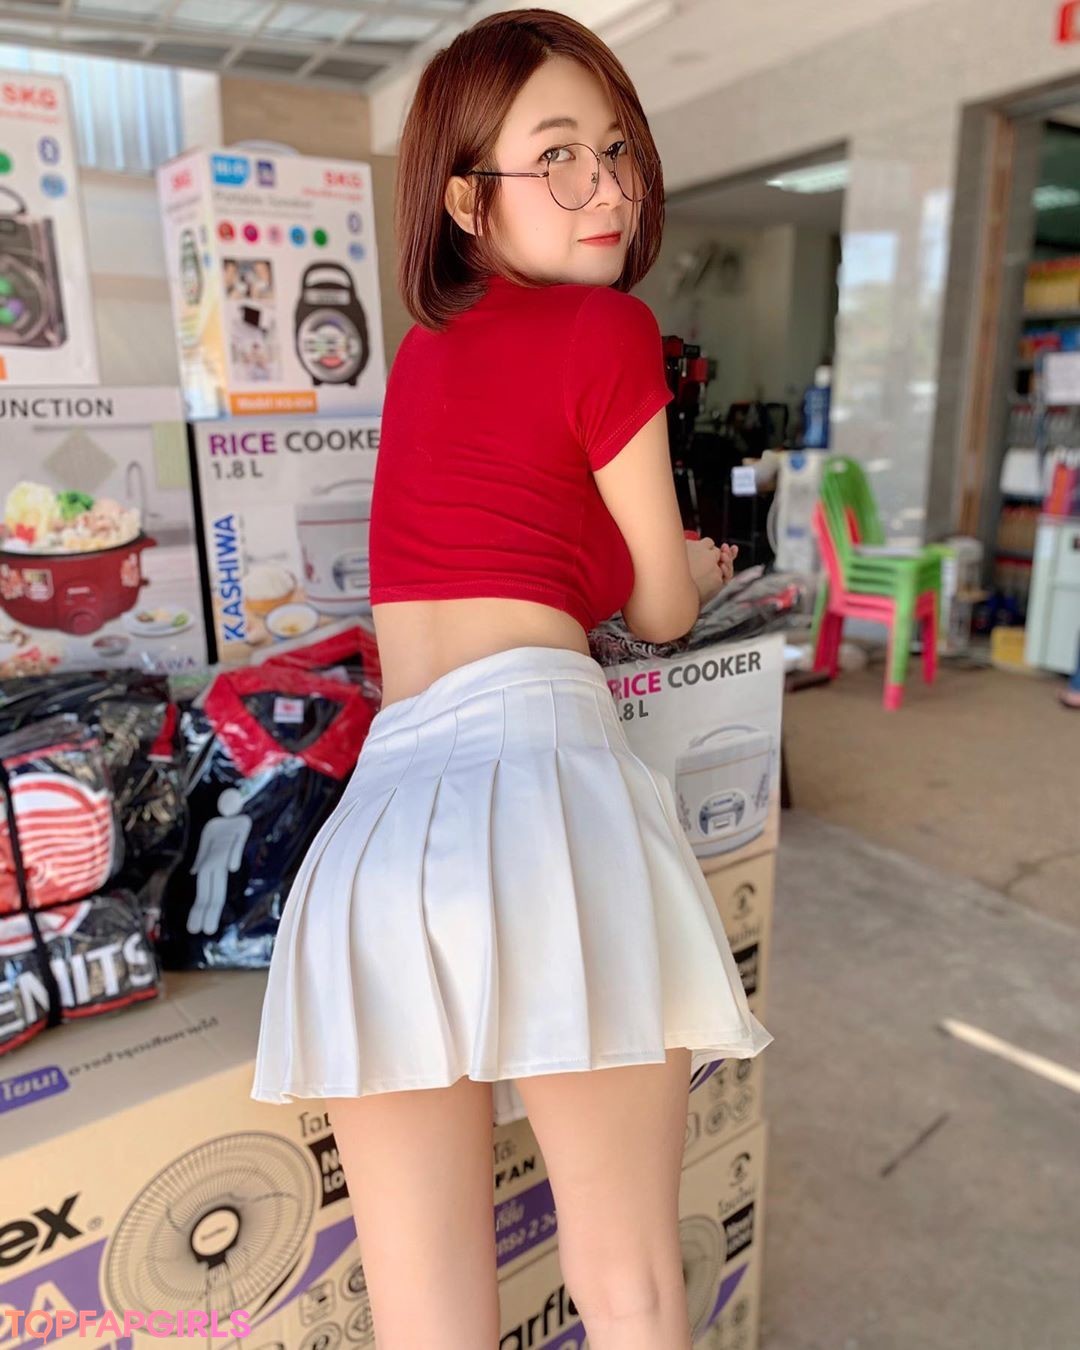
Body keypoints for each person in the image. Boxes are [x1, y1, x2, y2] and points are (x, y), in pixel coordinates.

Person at [251, 10, 772, 1349]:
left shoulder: (427, 356)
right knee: (630, 1278)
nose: (607, 188)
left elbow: (507, 550)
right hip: (541, 802)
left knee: (426, 1317)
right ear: (464, 197)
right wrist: (687, 570)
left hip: (379, 840)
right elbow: (659, 608)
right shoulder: (606, 327)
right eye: (558, 157)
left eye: (617, 150)